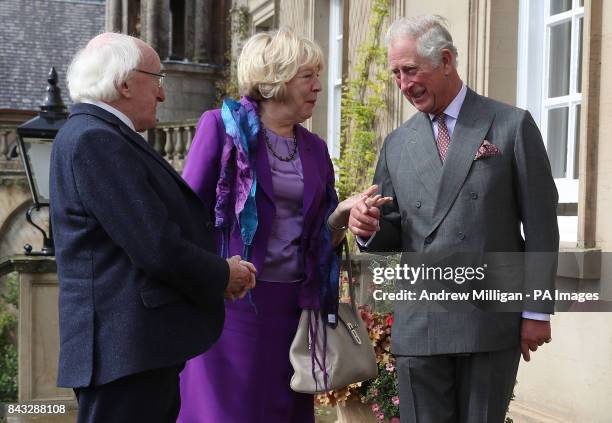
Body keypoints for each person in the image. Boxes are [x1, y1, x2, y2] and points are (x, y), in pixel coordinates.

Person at [346, 16, 559, 423]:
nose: (404, 84)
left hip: (489, 323)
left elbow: (542, 224)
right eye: (395, 74)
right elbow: (392, 229)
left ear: (445, 60)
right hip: (420, 322)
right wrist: (369, 227)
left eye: (411, 70)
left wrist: (535, 311)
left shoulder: (511, 126)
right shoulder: (396, 144)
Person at [176, 27, 385, 423]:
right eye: (307, 76)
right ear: (274, 79)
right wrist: (211, 275)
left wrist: (342, 216)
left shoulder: (315, 149)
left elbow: (319, 235)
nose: (319, 86)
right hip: (231, 308)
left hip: (293, 310)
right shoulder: (220, 128)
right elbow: (187, 216)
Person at [49, 33, 256, 423]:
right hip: (125, 353)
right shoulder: (96, 139)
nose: (162, 95)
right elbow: (156, 247)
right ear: (124, 82)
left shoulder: (98, 135)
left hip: (133, 352)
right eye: (157, 80)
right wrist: (222, 273)